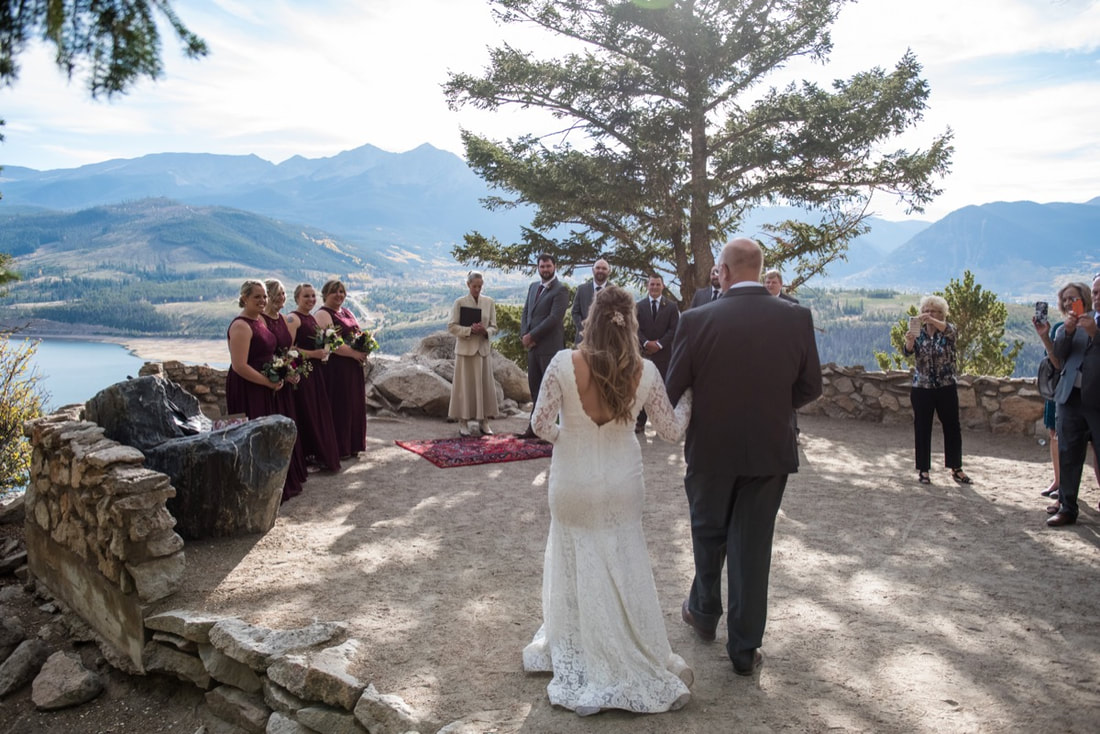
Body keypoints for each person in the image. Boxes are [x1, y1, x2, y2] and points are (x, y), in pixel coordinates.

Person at [523, 285, 693, 716]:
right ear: (631, 323)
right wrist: (689, 401)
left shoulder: (564, 363)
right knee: (624, 560)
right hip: (622, 482)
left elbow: (540, 424)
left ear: (591, 318)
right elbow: (671, 432)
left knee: (573, 558)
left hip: (573, 482)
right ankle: (631, 645)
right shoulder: (647, 371)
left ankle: (579, 641)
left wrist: (570, 439)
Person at [665, 238, 821, 676]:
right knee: (752, 546)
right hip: (770, 450)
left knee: (708, 532)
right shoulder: (796, 317)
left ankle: (704, 611)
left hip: (711, 449)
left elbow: (673, 388)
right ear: (760, 269)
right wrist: (773, 407)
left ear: (724, 273)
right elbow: (811, 387)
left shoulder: (695, 321)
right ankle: (745, 649)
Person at [225, 280, 302, 502]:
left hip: (265, 384)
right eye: (257, 297)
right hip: (249, 386)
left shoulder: (259, 320)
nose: (262, 301)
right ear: (245, 298)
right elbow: (240, 366)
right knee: (255, 436)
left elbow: (271, 352)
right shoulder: (241, 325)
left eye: (264, 296)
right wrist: (267, 382)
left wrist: (283, 372)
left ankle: (273, 485)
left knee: (269, 435)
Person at [1047, 280, 1100, 527]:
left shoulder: (1093, 324)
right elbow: (1059, 357)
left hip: (1097, 400)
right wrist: (1067, 332)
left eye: (1073, 298)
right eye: (1065, 299)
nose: (1069, 303)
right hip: (1070, 397)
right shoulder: (1066, 326)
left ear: (1085, 298)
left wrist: (1095, 335)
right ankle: (1067, 508)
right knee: (1068, 453)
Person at [902, 295, 970, 485]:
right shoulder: (919, 334)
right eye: (926, 311)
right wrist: (909, 341)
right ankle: (924, 470)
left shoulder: (947, 331)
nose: (929, 315)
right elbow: (908, 352)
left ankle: (956, 468)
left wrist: (933, 321)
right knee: (922, 427)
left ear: (942, 314)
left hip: (945, 385)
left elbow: (951, 331)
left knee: (952, 427)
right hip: (922, 387)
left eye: (934, 311)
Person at [286, 282, 342, 473]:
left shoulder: (310, 318)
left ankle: (319, 455)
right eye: (306, 296)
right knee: (308, 412)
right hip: (303, 372)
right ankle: (309, 456)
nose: (311, 299)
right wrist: (313, 354)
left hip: (316, 371)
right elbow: (288, 350)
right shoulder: (293, 319)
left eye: (312, 296)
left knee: (318, 412)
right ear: (297, 299)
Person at [261, 279, 308, 498]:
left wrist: (291, 369)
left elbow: (287, 349)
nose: (282, 297)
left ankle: (292, 473)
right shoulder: (260, 320)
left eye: (284, 293)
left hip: (284, 379)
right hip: (269, 381)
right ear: (269, 296)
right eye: (278, 294)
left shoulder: (281, 319)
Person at [314, 279, 368, 459]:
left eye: (341, 291)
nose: (339, 295)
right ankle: (340, 447)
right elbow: (332, 343)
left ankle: (354, 444)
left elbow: (357, 334)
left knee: (354, 405)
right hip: (337, 367)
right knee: (341, 406)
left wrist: (364, 347)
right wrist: (354, 354)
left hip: (353, 366)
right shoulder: (323, 314)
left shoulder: (347, 311)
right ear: (325, 295)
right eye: (334, 292)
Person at [517, 254, 569, 438]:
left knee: (550, 391)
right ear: (537, 268)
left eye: (548, 266)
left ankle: (549, 431)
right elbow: (526, 313)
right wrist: (524, 334)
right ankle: (533, 428)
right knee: (535, 389)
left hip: (550, 349)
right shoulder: (533, 287)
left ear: (555, 266)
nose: (545, 269)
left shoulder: (560, 290)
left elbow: (554, 319)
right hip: (533, 348)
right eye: (542, 266)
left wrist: (533, 335)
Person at [447, 271, 499, 437]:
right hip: (465, 351)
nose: (477, 289)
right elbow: (451, 326)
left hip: (482, 350)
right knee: (464, 387)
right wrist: (469, 330)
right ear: (468, 285)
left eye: (480, 286)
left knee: (484, 386)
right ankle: (463, 421)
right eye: (474, 286)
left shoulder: (489, 302)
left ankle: (484, 421)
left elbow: (494, 326)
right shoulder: (460, 302)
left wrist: (485, 331)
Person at [635, 273, 679, 434]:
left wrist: (659, 344)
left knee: (665, 389)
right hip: (644, 354)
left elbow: (674, 329)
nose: (654, 287)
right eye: (652, 284)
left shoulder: (672, 307)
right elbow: (635, 328)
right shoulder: (639, 306)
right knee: (642, 387)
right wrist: (646, 343)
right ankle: (640, 421)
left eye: (657, 284)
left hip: (664, 355)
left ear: (663, 286)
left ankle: (664, 424)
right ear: (647, 286)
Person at [570, 257, 610, 344]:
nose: (600, 270)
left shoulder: (614, 291)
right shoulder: (582, 289)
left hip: (606, 341)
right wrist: (584, 329)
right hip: (583, 339)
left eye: (604, 268)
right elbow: (575, 312)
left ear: (608, 271)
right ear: (593, 270)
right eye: (598, 268)